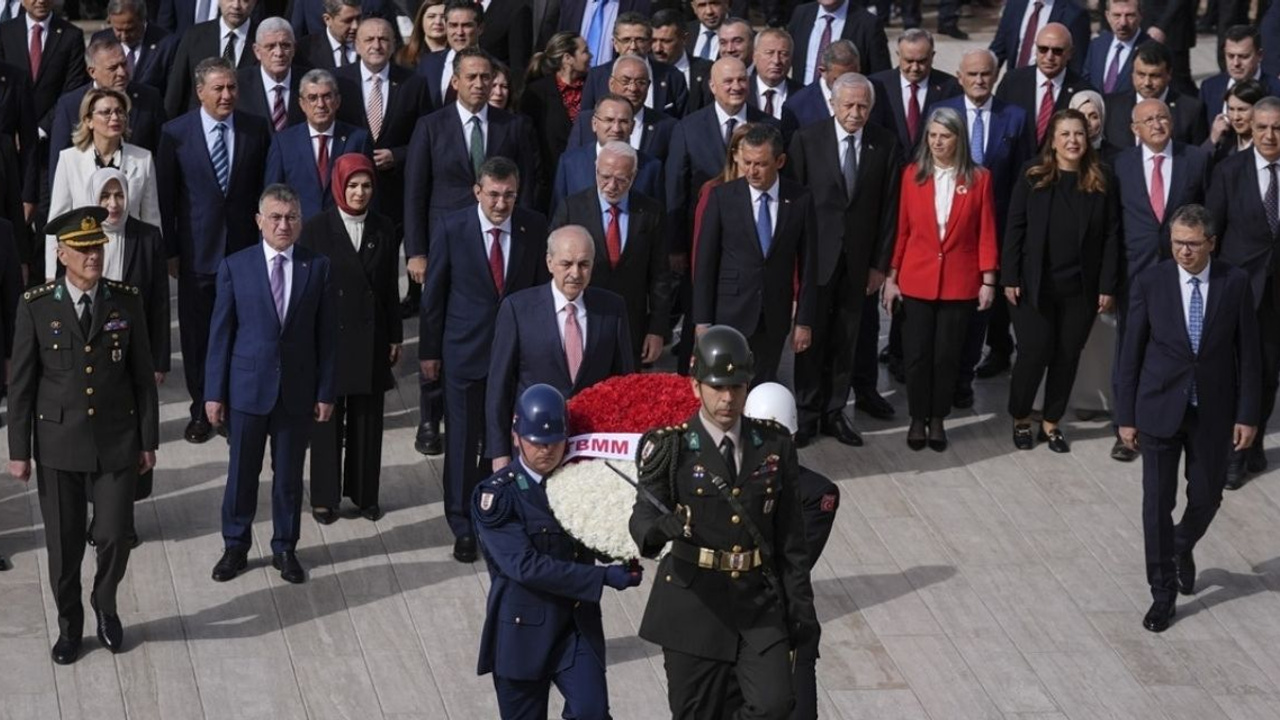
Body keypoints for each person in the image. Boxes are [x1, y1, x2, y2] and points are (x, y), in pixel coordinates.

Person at [628, 324, 818, 720]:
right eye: (717, 387)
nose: (728, 398)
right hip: (693, 605)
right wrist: (660, 528)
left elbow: (790, 542)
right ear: (696, 386)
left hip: (756, 604)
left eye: (737, 387)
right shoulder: (673, 447)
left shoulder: (775, 445)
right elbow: (642, 516)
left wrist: (801, 609)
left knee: (775, 704)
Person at [7, 207, 159, 665]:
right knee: (64, 546)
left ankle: (105, 604)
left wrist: (148, 441)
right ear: (61, 253)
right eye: (84, 249)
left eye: (98, 247)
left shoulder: (125, 300)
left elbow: (141, 378)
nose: (94, 255)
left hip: (116, 441)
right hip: (58, 446)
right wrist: (19, 452)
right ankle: (70, 625)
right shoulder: (36, 305)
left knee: (114, 535)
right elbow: (22, 386)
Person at [1114, 204, 1260, 633]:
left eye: (1193, 244)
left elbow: (1248, 355)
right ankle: (1163, 593)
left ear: (1211, 243)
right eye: (1177, 243)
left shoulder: (1234, 283)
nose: (1183, 252)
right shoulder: (1151, 281)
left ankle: (1180, 545)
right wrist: (1125, 415)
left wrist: (1248, 414)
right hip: (1158, 408)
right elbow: (1131, 352)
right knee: (1156, 504)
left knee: (1208, 497)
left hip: (1212, 411)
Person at [474, 383, 642, 719]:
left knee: (592, 713)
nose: (547, 450)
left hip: (575, 626)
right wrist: (603, 577)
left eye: (555, 442)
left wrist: (624, 550)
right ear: (516, 436)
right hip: (524, 633)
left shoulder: (582, 482)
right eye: (537, 442)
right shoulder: (497, 497)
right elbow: (526, 566)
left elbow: (594, 533)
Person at [404, 45, 540, 456]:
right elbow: (415, 191)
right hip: (447, 243)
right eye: (472, 77)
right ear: (455, 82)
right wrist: (416, 250)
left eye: (487, 77)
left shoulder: (513, 126)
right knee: (440, 325)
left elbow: (528, 189)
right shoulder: (431, 126)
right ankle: (431, 418)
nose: (480, 84)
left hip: (499, 242)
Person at [205, 184, 336, 585]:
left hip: (296, 391)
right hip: (247, 389)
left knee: (289, 477)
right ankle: (236, 545)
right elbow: (221, 334)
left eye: (291, 217)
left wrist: (325, 391)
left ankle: (285, 548)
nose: (283, 225)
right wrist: (213, 393)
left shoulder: (318, 266)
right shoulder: (235, 266)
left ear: (300, 221)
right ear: (259, 221)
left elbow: (327, 336)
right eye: (275, 217)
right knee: (242, 473)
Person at [421, 156, 550, 563]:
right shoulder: (452, 227)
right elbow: (434, 297)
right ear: (478, 192)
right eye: (493, 194)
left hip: (515, 357)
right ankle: (462, 524)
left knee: (507, 442)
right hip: (465, 354)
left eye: (509, 194)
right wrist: (428, 352)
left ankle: (499, 515)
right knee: (461, 443)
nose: (501, 203)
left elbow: (538, 295)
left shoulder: (533, 227)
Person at [156, 57, 270, 445]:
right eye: (218, 89)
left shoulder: (255, 128)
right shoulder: (175, 133)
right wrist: (171, 251)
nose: (226, 95)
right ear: (199, 91)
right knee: (197, 337)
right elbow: (166, 198)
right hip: (196, 254)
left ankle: (234, 409)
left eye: (232, 88)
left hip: (243, 252)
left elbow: (263, 190)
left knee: (242, 333)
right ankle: (200, 408)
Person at [788, 72, 902, 447]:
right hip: (817, 261)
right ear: (833, 105)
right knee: (810, 339)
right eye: (849, 105)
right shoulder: (808, 140)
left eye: (862, 106)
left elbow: (889, 210)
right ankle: (806, 413)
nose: (855, 113)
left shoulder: (884, 144)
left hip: (858, 264)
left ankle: (835, 412)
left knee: (847, 339)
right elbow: (796, 204)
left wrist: (879, 265)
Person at [1003, 108, 1121, 453]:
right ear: (1052, 142)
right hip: (1033, 285)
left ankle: (1052, 422)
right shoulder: (1033, 174)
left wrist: (1107, 285)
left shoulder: (1102, 178)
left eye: (1079, 134)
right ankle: (1022, 416)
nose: (1073, 140)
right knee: (1034, 352)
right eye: (1065, 134)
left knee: (1068, 355)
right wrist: (1009, 276)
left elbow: (1112, 235)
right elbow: (1015, 228)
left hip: (1080, 289)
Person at [882, 106, 997, 452]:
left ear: (958, 139)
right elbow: (901, 230)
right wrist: (892, 278)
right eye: (932, 136)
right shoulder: (912, 175)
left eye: (944, 136)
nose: (937, 142)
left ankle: (938, 419)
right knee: (917, 355)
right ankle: (918, 417)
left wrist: (988, 280)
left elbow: (987, 232)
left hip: (959, 283)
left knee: (947, 356)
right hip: (917, 280)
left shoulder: (979, 179)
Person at [1109, 98, 1211, 460]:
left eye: (1162, 117)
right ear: (1134, 129)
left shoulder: (1194, 160)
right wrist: (1109, 283)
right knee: (1129, 347)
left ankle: (1173, 418)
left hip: (1180, 274)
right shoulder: (1120, 164)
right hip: (1134, 274)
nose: (1156, 124)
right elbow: (1113, 228)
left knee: (1176, 346)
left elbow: (1205, 215)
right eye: (1148, 119)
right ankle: (1125, 427)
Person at [485, 225, 634, 469]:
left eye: (584, 264)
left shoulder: (612, 309)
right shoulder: (518, 309)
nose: (575, 273)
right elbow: (498, 387)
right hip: (535, 447)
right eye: (566, 264)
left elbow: (625, 384)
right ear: (549, 262)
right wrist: (499, 452)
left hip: (592, 449)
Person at [301, 154, 399, 524]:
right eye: (353, 184)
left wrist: (394, 336)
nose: (359, 192)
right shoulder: (316, 229)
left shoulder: (384, 227)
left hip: (370, 336)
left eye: (367, 185)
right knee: (326, 419)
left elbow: (389, 287)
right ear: (339, 185)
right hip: (329, 336)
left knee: (367, 419)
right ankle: (324, 498)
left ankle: (364, 494)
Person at [936, 48, 1036, 405]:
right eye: (973, 74)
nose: (979, 81)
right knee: (947, 310)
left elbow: (1027, 175)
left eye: (986, 75)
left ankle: (965, 379)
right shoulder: (942, 113)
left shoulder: (1015, 117)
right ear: (960, 77)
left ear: (995, 77)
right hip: (947, 231)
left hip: (996, 228)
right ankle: (943, 378)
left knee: (981, 308)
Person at [742, 382, 839, 720]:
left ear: (793, 439)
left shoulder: (816, 494)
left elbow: (793, 558)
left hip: (785, 623)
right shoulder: (721, 480)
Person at [694, 123, 817, 386]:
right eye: (747, 162)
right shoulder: (722, 197)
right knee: (727, 385)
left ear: (780, 161)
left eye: (760, 164)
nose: (751, 171)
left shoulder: (800, 200)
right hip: (729, 312)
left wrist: (804, 321)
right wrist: (702, 321)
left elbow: (809, 266)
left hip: (773, 315)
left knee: (763, 385)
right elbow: (705, 263)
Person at [334, 17, 432, 319]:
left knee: (388, 257)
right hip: (352, 189)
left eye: (383, 39)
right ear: (357, 45)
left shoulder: (413, 82)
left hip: (396, 187)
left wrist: (398, 155)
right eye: (369, 40)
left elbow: (424, 135)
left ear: (393, 44)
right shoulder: (339, 81)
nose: (376, 45)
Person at [1206, 95, 1280, 489]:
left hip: (1275, 296)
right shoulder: (1230, 171)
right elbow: (1212, 231)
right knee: (1233, 372)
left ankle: (1251, 440)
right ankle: (1232, 453)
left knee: (1267, 372)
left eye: (1277, 127)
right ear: (1250, 128)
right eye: (1263, 127)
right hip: (1237, 289)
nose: (1270, 135)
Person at [552, 140, 673, 365]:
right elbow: (553, 265)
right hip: (582, 320)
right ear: (596, 170)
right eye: (605, 176)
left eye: (620, 179)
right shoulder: (572, 208)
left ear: (633, 176)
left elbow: (660, 276)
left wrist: (657, 330)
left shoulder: (650, 212)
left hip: (630, 326)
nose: (611, 185)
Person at [46, 88, 161, 281]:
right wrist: (51, 273)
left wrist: (156, 268)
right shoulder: (69, 159)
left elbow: (151, 219)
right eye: (106, 112)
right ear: (88, 120)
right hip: (84, 264)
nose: (115, 117)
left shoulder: (142, 159)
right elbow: (58, 218)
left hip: (129, 261)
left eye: (120, 112)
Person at [263, 68, 373, 220]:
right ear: (302, 103)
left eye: (327, 97)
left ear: (337, 101)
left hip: (344, 233)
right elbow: (272, 197)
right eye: (312, 98)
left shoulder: (358, 139)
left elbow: (371, 194)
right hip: (300, 233)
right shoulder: (283, 143)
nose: (320, 104)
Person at [48, 37, 166, 167]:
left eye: (124, 64)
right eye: (113, 68)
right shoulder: (70, 104)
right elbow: (58, 162)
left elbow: (161, 153)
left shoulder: (150, 97)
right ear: (92, 72)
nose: (122, 72)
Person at [552, 92, 663, 212]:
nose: (616, 129)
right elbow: (558, 214)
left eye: (623, 122)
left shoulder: (650, 167)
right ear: (594, 124)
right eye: (609, 120)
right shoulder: (570, 163)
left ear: (632, 127)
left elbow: (657, 219)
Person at [577, 12, 690, 131]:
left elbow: (683, 124)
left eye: (640, 40)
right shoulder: (597, 76)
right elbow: (586, 123)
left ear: (650, 43)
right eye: (626, 40)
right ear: (615, 43)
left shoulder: (672, 76)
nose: (633, 46)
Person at [1101, 41, 1208, 159]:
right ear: (1132, 73)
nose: (1147, 83)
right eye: (1141, 74)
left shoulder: (1191, 110)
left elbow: (1198, 159)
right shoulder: (1111, 106)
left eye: (1154, 76)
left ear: (1169, 74)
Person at [993, 23, 1092, 149]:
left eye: (1057, 51)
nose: (1049, 57)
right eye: (1043, 49)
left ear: (1070, 53)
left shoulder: (1082, 90)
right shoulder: (1012, 82)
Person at [521, 31, 592, 198]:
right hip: (550, 182)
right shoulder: (537, 92)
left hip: (587, 177)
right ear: (567, 58)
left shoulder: (593, 86)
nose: (590, 56)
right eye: (585, 51)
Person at [868, 29, 960, 157]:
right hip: (890, 167)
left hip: (931, 168)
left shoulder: (950, 86)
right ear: (898, 55)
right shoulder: (877, 84)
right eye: (909, 61)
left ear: (932, 56)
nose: (915, 68)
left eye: (922, 61)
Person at [163, 0, 261, 118]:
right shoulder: (194, 36)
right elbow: (176, 91)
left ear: (255, 2)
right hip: (198, 127)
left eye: (244, 0)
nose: (236, 6)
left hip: (247, 129)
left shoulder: (264, 40)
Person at [788, 0, 891, 83]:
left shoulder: (868, 24)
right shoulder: (801, 14)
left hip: (843, 105)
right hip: (802, 103)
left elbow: (881, 77)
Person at [1198, 24, 1280, 128]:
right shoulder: (1210, 87)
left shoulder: (1276, 90)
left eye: (1244, 56)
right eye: (1230, 56)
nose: (1236, 63)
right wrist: (1212, 140)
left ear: (1259, 55)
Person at [235, 17, 308, 135]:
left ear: (294, 49)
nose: (279, 53)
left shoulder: (309, 82)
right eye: (270, 46)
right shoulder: (238, 84)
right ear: (257, 51)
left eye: (285, 45)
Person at [92, 0, 176, 93]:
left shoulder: (167, 44)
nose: (124, 36)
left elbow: (172, 93)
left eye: (130, 30)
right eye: (118, 30)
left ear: (143, 20)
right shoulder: (100, 40)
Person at [987, 0, 1090, 74]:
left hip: (1048, 91)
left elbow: (1077, 63)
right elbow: (999, 48)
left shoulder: (1074, 14)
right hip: (1013, 86)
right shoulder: (1014, 5)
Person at [417, 0, 485, 108]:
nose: (459, 32)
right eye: (453, 25)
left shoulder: (493, 67)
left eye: (466, 26)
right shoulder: (427, 64)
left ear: (480, 28)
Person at [1082, 0, 1147, 96]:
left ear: (1141, 16)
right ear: (1107, 16)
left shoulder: (1151, 49)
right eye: (1117, 15)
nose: (1123, 23)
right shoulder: (1098, 45)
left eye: (1129, 15)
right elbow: (1085, 82)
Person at [1203, 77, 1264, 165]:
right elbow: (1196, 167)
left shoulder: (1269, 141)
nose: (1235, 117)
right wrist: (1212, 140)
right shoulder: (1223, 142)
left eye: (1242, 110)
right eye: (1231, 109)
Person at [749, 28, 800, 125]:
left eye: (783, 54)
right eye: (769, 53)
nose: (776, 61)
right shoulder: (741, 90)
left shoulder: (802, 96)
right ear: (755, 57)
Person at [296, 0, 359, 70]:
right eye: (347, 21)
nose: (355, 26)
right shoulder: (304, 50)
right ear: (327, 19)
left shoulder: (369, 44)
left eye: (358, 18)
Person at [395, 0, 447, 68]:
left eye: (443, 17)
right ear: (421, 21)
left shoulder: (459, 54)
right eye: (431, 16)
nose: (438, 22)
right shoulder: (403, 56)